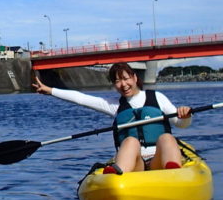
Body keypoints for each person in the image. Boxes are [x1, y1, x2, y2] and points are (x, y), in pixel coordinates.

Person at [32, 62, 192, 174]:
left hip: (159, 160)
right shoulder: (114, 106)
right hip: (136, 164)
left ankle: (173, 170)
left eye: (126, 78)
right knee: (130, 141)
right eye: (117, 81)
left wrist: (185, 116)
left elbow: (180, 124)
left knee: (167, 138)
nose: (123, 84)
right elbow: (81, 98)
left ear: (135, 78)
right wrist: (50, 90)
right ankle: (118, 173)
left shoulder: (157, 97)